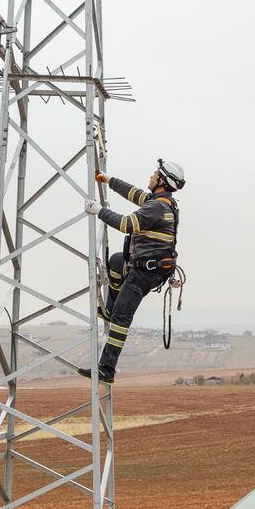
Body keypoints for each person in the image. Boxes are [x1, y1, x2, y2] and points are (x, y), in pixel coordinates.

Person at [78, 158, 185, 384]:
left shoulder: (157, 207)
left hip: (145, 273)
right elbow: (133, 193)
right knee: (116, 261)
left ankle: (107, 369)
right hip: (148, 268)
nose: (151, 176)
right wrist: (108, 180)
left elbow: (127, 224)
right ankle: (109, 309)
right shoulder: (163, 202)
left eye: (155, 174)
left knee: (121, 318)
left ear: (162, 181)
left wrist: (98, 210)